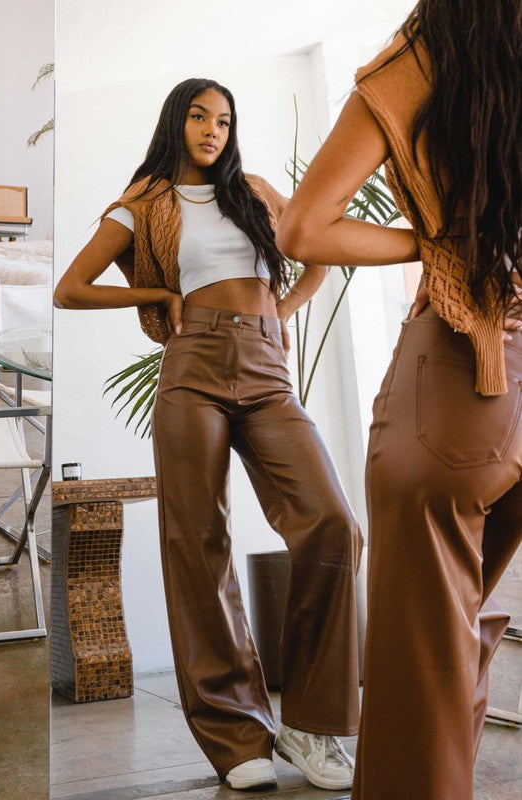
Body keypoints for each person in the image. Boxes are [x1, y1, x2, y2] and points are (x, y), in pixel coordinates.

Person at [54, 77, 362, 791]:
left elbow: (316, 248)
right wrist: (160, 295)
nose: (212, 129)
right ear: (176, 121)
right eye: (198, 116)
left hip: (264, 365)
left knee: (333, 523)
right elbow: (71, 287)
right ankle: (234, 739)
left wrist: (277, 313)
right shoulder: (144, 202)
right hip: (191, 368)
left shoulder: (251, 189)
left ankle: (311, 725)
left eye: (223, 119)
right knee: (197, 542)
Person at [276, 2, 522, 799]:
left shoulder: (426, 57)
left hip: (461, 373)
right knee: (469, 629)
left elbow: (306, 229)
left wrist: (434, 240)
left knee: (423, 655)